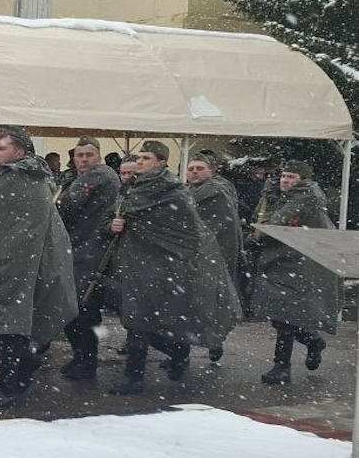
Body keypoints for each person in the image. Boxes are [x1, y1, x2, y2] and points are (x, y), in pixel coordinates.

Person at [105, 142, 238, 394]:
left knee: (146, 321)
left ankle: (150, 368)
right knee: (136, 320)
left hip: (164, 268)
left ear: (161, 162)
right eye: (139, 157)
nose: (140, 161)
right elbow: (114, 218)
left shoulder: (173, 193)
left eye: (146, 158)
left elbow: (189, 233)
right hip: (135, 265)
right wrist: (112, 225)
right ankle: (150, 368)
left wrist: (169, 253)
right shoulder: (134, 188)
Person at [0, 126, 76, 410]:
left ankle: (8, 386)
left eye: (2, 148)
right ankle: (22, 366)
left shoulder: (26, 181)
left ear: (19, 151)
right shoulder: (5, 178)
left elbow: (24, 232)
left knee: (11, 328)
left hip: (18, 268)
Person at [249, 161, 342, 385]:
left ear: (302, 180)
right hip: (280, 261)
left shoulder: (306, 196)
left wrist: (256, 237)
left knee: (286, 317)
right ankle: (312, 341)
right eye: (284, 176)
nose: (285, 180)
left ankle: (282, 366)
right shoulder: (273, 194)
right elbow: (261, 219)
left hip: (302, 263)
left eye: (292, 177)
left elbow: (276, 223)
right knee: (280, 316)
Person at [56, 137, 121, 381]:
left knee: (85, 311)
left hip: (91, 254)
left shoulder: (99, 177)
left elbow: (66, 206)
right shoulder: (79, 178)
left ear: (99, 156)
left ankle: (87, 360)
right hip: (79, 251)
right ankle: (81, 357)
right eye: (79, 155)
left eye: (89, 155)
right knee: (76, 311)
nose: (83, 160)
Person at [186, 151, 242, 361]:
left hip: (214, 253)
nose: (194, 172)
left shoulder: (216, 193)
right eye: (191, 168)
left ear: (211, 171)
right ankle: (184, 349)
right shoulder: (190, 191)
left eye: (199, 168)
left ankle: (214, 340)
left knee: (212, 300)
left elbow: (214, 227)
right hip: (199, 253)